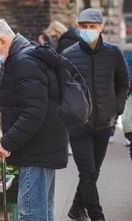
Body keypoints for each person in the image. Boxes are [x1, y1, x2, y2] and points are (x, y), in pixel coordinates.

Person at [0, 18, 68, 221]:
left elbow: (33, 112)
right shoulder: (25, 57)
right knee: (41, 213)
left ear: (1, 40)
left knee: (31, 214)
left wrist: (7, 143)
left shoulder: (25, 62)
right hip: (41, 147)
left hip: (36, 151)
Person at [63, 8, 129, 221]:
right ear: (78, 27)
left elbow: (123, 83)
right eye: (84, 26)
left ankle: (75, 208)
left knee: (93, 173)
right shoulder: (69, 55)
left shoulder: (114, 53)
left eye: (92, 26)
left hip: (104, 123)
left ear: (101, 27)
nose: (88, 30)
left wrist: (116, 108)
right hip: (79, 126)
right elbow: (63, 90)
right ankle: (97, 216)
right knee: (87, 173)